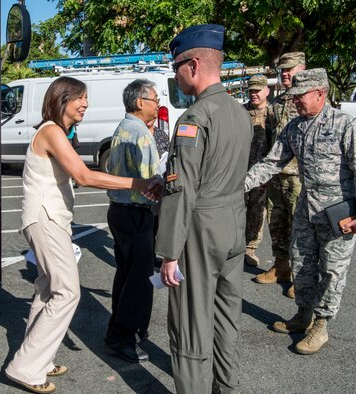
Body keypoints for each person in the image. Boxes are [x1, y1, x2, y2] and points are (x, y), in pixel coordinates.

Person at [4, 76, 160, 394]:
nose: (86, 104)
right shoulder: (50, 130)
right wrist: (137, 183)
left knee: (47, 290)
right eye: (81, 97)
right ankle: (24, 366)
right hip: (45, 220)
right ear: (62, 98)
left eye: (86, 98)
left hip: (52, 220)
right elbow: (84, 176)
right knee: (67, 293)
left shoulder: (58, 131)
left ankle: (39, 359)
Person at [245, 68, 356, 355]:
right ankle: (303, 314)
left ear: (320, 93)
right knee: (302, 264)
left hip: (339, 215)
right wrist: (238, 185)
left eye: (300, 96)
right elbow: (272, 163)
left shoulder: (344, 124)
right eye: (293, 97)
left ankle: (321, 325)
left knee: (331, 271)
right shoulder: (295, 127)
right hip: (307, 211)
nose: (295, 101)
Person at [157, 24, 252, 393]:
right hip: (233, 223)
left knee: (191, 324)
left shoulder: (195, 118)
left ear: (193, 65)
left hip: (200, 228)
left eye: (177, 66)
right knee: (227, 318)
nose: (175, 75)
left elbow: (183, 192)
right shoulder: (239, 112)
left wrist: (168, 253)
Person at [104, 79, 161, 363]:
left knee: (126, 276)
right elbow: (151, 181)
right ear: (140, 102)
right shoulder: (137, 132)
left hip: (122, 212)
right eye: (155, 100)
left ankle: (125, 329)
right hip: (135, 212)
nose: (158, 104)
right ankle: (123, 336)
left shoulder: (126, 127)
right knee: (138, 280)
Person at [254, 52, 306, 297]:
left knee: (300, 225)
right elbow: (269, 138)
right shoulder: (279, 100)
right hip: (276, 173)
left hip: (299, 176)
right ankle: (281, 266)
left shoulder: (309, 98)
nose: (285, 74)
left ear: (301, 68)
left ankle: (301, 276)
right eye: (282, 70)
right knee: (276, 222)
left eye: (290, 69)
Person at [243, 75, 274, 267]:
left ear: (266, 91)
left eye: (257, 90)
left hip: (263, 171)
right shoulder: (241, 111)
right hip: (241, 168)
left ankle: (250, 247)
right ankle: (234, 244)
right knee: (237, 206)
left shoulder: (273, 112)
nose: (254, 94)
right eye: (251, 91)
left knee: (257, 209)